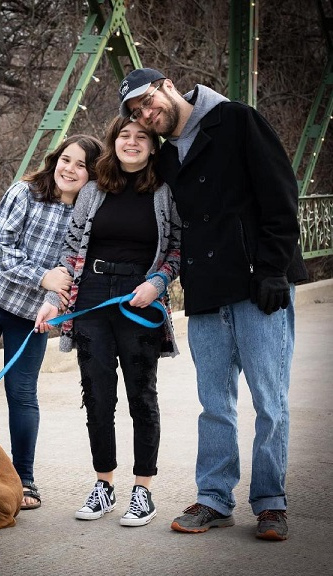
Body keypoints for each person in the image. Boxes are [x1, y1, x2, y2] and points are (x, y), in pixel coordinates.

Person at [117, 67, 308, 540]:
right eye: (136, 112)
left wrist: (272, 270)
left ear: (165, 86)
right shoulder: (165, 159)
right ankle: (214, 499)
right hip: (205, 293)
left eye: (147, 101)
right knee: (214, 403)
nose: (146, 114)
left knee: (270, 401)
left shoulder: (237, 120)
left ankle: (270, 504)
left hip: (256, 285)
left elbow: (281, 196)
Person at [35, 115, 182, 527]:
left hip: (140, 299)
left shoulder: (165, 193)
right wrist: (53, 301)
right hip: (93, 297)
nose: (131, 142)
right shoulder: (93, 191)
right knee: (97, 395)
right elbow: (69, 252)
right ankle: (104, 485)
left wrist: (158, 281)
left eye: (141, 137)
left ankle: (143, 490)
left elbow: (176, 249)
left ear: (153, 146)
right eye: (124, 136)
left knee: (142, 396)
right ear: (113, 142)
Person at [0, 134, 103, 510]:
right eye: (65, 160)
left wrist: (54, 298)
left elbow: (74, 270)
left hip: (31, 314)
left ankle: (23, 479)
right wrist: (43, 278)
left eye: (81, 165)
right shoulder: (24, 193)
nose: (69, 169)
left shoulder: (88, 217)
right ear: (55, 160)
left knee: (21, 393)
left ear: (93, 174)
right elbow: (2, 249)